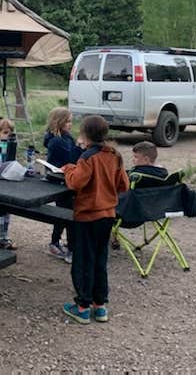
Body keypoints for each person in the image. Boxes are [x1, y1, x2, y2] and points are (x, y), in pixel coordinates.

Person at [61, 115, 129, 324]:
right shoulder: (115, 155)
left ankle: (82, 306)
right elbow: (124, 185)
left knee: (83, 260)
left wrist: (69, 169)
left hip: (88, 215)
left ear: (85, 134)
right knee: (100, 259)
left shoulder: (87, 157)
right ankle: (100, 306)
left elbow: (75, 183)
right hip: (107, 214)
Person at [43, 108, 80, 263]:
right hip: (59, 180)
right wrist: (80, 148)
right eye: (68, 121)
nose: (71, 124)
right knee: (67, 214)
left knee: (65, 213)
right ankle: (68, 247)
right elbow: (72, 157)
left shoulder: (67, 137)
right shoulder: (57, 141)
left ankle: (57, 242)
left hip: (67, 179)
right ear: (59, 122)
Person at [0, 118, 18, 250]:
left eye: (11, 133)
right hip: (1, 181)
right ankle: (0, 237)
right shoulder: (0, 147)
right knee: (0, 212)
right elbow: (1, 164)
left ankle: (2, 235)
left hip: (7, 181)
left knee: (7, 212)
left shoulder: (10, 145)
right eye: (6, 132)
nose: (9, 136)